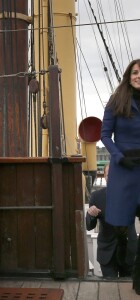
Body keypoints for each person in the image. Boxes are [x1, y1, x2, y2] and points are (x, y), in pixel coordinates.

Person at [101, 59, 140, 293]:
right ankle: (127, 273)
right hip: (124, 170)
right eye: (135, 72)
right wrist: (118, 157)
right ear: (128, 76)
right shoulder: (117, 102)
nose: (139, 76)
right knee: (123, 227)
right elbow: (105, 135)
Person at [86, 164, 137, 278]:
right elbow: (89, 226)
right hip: (107, 251)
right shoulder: (96, 196)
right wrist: (91, 215)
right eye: (109, 174)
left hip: (129, 250)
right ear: (105, 176)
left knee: (128, 289)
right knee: (110, 290)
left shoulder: (132, 194)